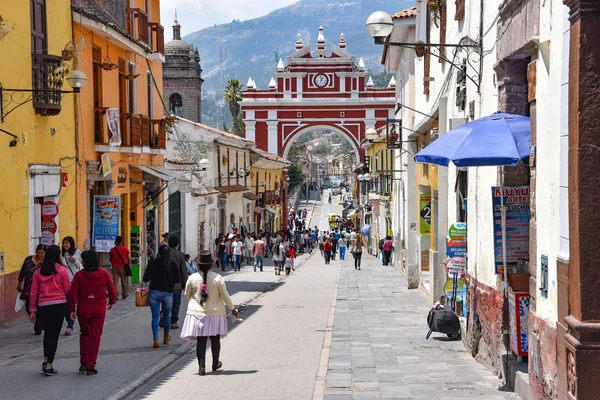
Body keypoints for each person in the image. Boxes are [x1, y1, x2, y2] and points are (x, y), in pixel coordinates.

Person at [180, 252, 238, 376]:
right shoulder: (218, 278)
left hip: (197, 314)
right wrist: (233, 309)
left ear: (198, 265)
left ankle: (201, 367)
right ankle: (215, 363)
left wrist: (195, 301)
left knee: (201, 341)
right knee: (215, 340)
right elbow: (225, 295)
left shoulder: (192, 278)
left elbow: (187, 295)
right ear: (211, 264)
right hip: (215, 313)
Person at [69, 250, 117, 375]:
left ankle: (83, 362)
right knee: (95, 336)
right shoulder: (104, 273)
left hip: (84, 308)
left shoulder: (79, 275)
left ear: (85, 261)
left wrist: (71, 309)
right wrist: (112, 301)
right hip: (99, 308)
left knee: (84, 334)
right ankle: (91, 365)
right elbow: (112, 290)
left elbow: (73, 294)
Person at [29, 245, 71, 376]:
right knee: (54, 335)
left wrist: (32, 310)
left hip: (43, 306)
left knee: (47, 334)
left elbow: (33, 293)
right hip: (58, 305)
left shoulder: (38, 271)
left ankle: (45, 359)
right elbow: (67, 289)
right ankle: (49, 365)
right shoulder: (62, 270)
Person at [143, 244, 181, 348]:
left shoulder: (153, 263)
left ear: (159, 252)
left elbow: (145, 278)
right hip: (168, 293)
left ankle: (155, 339)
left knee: (155, 317)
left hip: (154, 293)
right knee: (167, 316)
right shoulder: (172, 265)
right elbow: (177, 279)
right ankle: (165, 337)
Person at [18, 244, 46, 335]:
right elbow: (22, 272)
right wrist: (19, 283)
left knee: (40, 306)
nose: (39, 255)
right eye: (38, 252)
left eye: (42, 253)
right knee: (28, 307)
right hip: (28, 287)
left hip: (41, 288)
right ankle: (37, 321)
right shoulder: (28, 260)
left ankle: (38, 325)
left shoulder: (46, 262)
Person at [62, 236, 82, 336]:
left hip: (73, 283)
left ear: (71, 243)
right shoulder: (61, 255)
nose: (65, 245)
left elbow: (82, 267)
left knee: (70, 305)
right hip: (63, 284)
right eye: (64, 243)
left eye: (67, 243)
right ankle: (68, 321)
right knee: (65, 306)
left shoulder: (78, 253)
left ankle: (70, 326)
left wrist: (76, 261)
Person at [168, 235, 188, 330]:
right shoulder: (180, 255)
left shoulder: (162, 253)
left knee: (166, 302)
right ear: (177, 245)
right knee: (176, 303)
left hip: (164, 284)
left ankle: (166, 319)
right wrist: (185, 284)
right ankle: (174, 321)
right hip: (177, 284)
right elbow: (183, 271)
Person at [109, 236, 130, 300]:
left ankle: (115, 295)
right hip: (123, 267)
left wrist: (113, 263)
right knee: (123, 281)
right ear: (122, 241)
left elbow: (110, 259)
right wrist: (128, 264)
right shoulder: (125, 249)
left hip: (115, 267)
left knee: (115, 282)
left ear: (116, 241)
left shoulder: (112, 250)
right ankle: (124, 294)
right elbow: (129, 258)